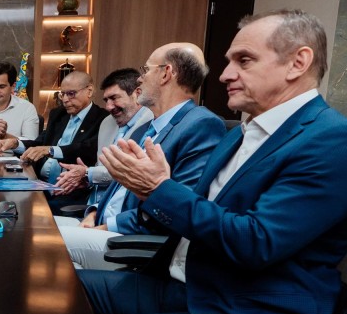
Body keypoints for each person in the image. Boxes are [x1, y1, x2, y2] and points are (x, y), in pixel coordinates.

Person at [78, 9, 347, 314]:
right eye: (229, 61)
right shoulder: (240, 133)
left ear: (298, 63)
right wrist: (160, 190)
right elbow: (198, 214)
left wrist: (160, 189)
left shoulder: (336, 142)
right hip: (194, 288)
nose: (224, 75)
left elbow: (256, 242)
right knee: (60, 292)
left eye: (244, 60)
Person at [58, 43, 225, 270]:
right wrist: (94, 213)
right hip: (102, 225)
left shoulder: (201, 125)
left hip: (131, 240)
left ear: (166, 73)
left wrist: (106, 226)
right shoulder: (147, 128)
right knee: (30, 226)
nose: (139, 79)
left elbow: (179, 205)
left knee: (40, 242)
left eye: (145, 70)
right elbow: (119, 189)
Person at [6, 71, 107, 210]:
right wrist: (16, 143)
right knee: (7, 200)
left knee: (30, 210)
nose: (65, 99)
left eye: (71, 94)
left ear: (89, 91)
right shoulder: (58, 114)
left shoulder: (102, 118)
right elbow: (40, 143)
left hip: (71, 190)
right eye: (62, 94)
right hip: (40, 184)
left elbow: (86, 148)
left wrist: (52, 150)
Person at [54, 68, 154, 205]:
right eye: (106, 100)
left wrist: (87, 173)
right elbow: (101, 167)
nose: (108, 107)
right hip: (92, 205)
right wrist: (87, 180)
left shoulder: (150, 123)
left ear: (137, 94)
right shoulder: (107, 122)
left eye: (114, 98)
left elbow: (128, 172)